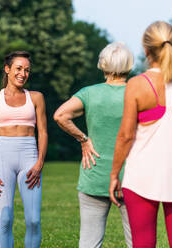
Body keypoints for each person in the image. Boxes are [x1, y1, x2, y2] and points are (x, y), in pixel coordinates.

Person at [109, 21, 172, 248]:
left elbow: (125, 135)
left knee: (142, 243)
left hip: (140, 177)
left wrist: (114, 174)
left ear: (145, 50)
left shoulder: (136, 85)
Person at [54, 42, 133, 248]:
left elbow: (60, 115)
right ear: (129, 65)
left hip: (94, 174)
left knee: (89, 243)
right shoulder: (138, 93)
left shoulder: (89, 93)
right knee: (138, 242)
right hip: (131, 178)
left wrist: (83, 139)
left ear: (102, 64)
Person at [0, 51, 47, 248]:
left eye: (27, 70)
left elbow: (43, 132)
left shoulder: (36, 97)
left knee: (34, 220)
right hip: (2, 157)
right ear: (7, 69)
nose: (23, 73)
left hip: (30, 156)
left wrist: (39, 163)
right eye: (18, 68)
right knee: (5, 218)